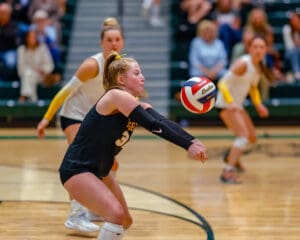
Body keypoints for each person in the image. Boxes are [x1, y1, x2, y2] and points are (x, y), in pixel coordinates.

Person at [59, 51, 208, 240]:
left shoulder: (134, 105)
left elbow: (162, 121)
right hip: (77, 170)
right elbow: (154, 126)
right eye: (137, 73)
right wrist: (188, 146)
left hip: (101, 173)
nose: (142, 78)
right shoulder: (115, 96)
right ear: (121, 78)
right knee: (116, 214)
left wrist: (192, 141)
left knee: (125, 221)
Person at [37, 17, 124, 233]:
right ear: (102, 43)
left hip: (95, 118)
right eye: (109, 40)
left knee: (109, 165)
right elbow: (64, 92)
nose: (113, 43)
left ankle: (94, 206)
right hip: (73, 114)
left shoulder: (121, 65)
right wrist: (47, 118)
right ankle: (75, 215)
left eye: (117, 39)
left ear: (121, 42)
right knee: (78, 162)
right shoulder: (92, 65)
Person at [215, 35, 272, 184]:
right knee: (243, 137)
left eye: (262, 47)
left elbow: (253, 87)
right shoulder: (243, 64)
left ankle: (233, 156)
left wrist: (258, 104)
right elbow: (222, 83)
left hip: (236, 106)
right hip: (226, 105)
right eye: (255, 47)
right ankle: (227, 172)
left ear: (266, 50)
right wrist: (230, 102)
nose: (258, 50)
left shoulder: (257, 66)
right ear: (250, 49)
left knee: (252, 137)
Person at [17, 29, 55, 102]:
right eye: (30, 37)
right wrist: (33, 71)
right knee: (29, 75)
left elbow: (50, 65)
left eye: (34, 37)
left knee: (29, 76)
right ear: (26, 38)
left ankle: (24, 96)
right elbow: (21, 69)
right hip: (26, 76)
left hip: (41, 76)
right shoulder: (21, 50)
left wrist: (42, 69)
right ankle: (33, 100)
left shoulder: (43, 48)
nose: (32, 39)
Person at [282, 10, 300, 82]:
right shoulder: (287, 29)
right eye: (293, 19)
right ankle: (297, 73)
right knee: (294, 52)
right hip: (289, 53)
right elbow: (289, 46)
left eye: (297, 18)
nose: (295, 20)